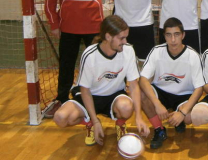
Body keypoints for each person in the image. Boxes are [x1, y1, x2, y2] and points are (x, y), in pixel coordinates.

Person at [44, 0, 115, 118]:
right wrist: (54, 23)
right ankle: (62, 98)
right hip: (68, 28)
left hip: (94, 28)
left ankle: (98, 98)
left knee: (97, 65)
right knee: (66, 65)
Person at [53, 15, 150, 146]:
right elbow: (85, 90)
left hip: (114, 95)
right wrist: (96, 121)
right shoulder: (90, 55)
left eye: (126, 37)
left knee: (126, 107)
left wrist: (138, 117)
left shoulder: (128, 51)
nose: (125, 41)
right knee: (60, 118)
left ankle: (120, 124)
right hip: (89, 96)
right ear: (108, 37)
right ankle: (91, 123)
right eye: (121, 38)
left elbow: (133, 85)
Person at [139, 17, 205, 149]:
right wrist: (157, 105)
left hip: (184, 94)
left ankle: (179, 118)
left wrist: (183, 112)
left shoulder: (193, 55)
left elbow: (199, 88)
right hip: (162, 92)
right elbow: (143, 80)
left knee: (189, 117)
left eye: (176, 34)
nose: (173, 40)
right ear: (164, 36)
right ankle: (159, 130)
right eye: (169, 35)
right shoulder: (157, 51)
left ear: (183, 35)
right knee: (141, 94)